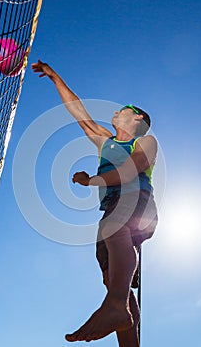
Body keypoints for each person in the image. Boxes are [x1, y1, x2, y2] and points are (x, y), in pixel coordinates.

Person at [32, 60, 158, 346]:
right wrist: (55, 78)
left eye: (123, 109)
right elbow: (78, 111)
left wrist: (92, 181)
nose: (115, 111)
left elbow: (131, 170)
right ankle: (120, 315)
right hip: (111, 207)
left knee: (116, 232)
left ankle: (115, 307)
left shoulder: (146, 142)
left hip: (135, 198)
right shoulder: (106, 141)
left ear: (137, 119)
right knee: (114, 284)